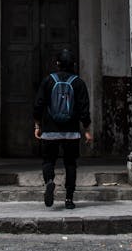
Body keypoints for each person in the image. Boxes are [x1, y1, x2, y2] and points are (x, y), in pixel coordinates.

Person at [33, 48, 92, 209]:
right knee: (70, 164)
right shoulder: (78, 83)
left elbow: (38, 105)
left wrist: (38, 125)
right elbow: (84, 109)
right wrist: (86, 129)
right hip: (71, 132)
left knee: (48, 160)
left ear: (57, 64)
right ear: (73, 64)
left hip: (50, 131)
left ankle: (50, 181)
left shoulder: (48, 80)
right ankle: (69, 199)